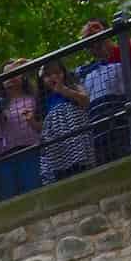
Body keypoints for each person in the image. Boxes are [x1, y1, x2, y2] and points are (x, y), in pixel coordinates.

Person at [77, 21, 131, 166]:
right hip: (97, 129)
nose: (93, 43)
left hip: (123, 124)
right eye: (87, 40)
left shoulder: (123, 58)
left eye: (94, 35)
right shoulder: (83, 72)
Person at [0, 62, 43, 201]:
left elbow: (43, 124)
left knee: (34, 195)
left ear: (23, 76)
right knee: (8, 199)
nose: (10, 78)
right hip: (3, 157)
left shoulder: (34, 98)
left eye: (14, 73)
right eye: (6, 76)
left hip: (30, 152)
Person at [37, 58, 95, 186]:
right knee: (62, 174)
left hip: (76, 136)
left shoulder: (74, 86)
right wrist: (30, 121)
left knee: (81, 168)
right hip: (57, 144)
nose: (53, 77)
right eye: (48, 75)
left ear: (64, 73)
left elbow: (85, 101)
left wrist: (64, 90)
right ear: (42, 80)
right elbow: (42, 127)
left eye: (57, 73)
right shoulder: (43, 100)